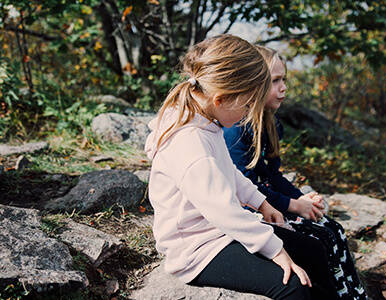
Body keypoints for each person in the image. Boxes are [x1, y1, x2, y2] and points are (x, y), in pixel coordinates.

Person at [145, 34, 341, 299]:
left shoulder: (206, 121)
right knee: (293, 285)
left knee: (313, 250)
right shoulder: (190, 144)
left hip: (221, 231)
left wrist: (262, 203)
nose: (250, 112)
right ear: (221, 99)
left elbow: (230, 174)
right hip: (198, 248)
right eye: (248, 104)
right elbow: (223, 210)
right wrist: (275, 250)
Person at [223, 45, 367, 299]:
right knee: (319, 241)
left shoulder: (271, 123)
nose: (283, 88)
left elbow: (274, 176)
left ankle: (353, 295)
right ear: (254, 84)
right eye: (275, 81)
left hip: (271, 203)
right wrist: (292, 206)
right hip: (252, 211)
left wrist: (301, 200)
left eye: (284, 80)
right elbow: (245, 188)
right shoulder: (236, 130)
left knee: (334, 230)